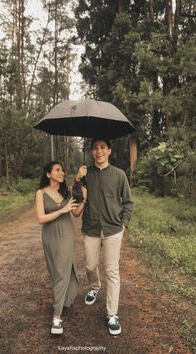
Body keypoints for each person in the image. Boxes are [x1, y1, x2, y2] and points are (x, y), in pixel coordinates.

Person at [73, 138, 133, 336]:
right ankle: (94, 286)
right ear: (91, 152)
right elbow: (76, 199)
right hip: (91, 227)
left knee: (112, 271)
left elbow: (128, 202)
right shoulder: (86, 173)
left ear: (109, 151)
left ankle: (112, 314)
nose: (98, 151)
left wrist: (123, 224)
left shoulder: (119, 175)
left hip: (113, 230)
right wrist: (77, 178)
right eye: (95, 148)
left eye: (102, 148)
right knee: (90, 266)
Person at [36, 161, 87, 335]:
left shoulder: (67, 192)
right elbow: (41, 218)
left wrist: (84, 200)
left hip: (66, 236)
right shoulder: (41, 193)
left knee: (62, 271)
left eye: (63, 170)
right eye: (57, 170)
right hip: (50, 237)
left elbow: (76, 213)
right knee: (56, 273)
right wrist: (61, 210)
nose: (62, 172)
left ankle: (56, 317)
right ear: (48, 174)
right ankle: (62, 299)